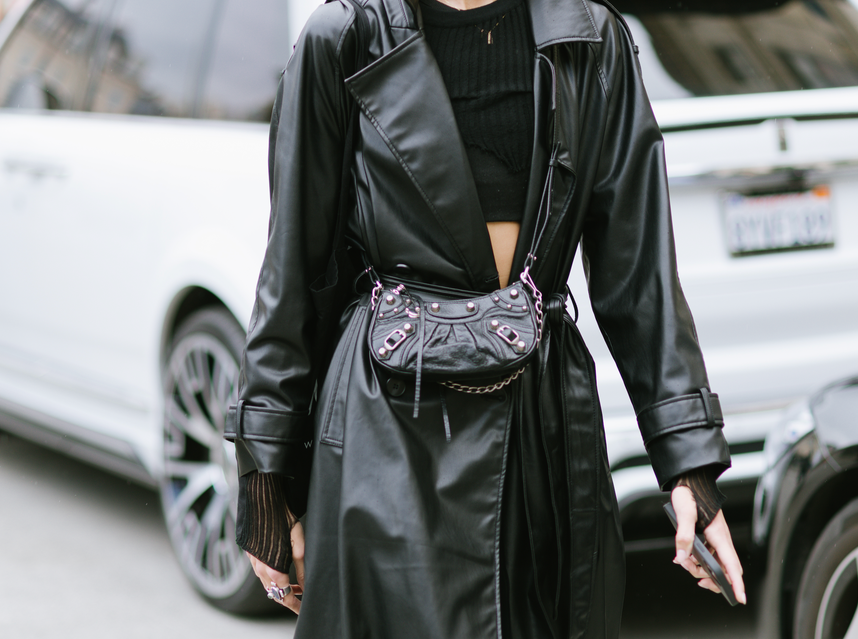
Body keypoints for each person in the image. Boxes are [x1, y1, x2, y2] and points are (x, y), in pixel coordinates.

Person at [225, 0, 747, 636]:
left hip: (545, 428)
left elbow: (640, 276)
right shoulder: (346, 36)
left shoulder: (588, 35)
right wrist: (265, 476)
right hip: (385, 434)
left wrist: (688, 461)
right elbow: (295, 274)